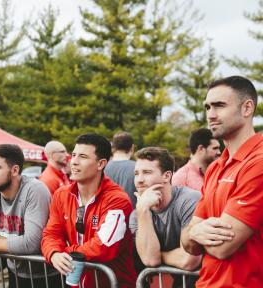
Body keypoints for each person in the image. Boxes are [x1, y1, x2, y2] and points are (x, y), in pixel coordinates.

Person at [181, 76, 263, 287]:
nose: (211, 115)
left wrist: (194, 233)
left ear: (247, 108)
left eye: (219, 106)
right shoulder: (216, 167)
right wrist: (193, 232)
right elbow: (187, 244)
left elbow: (222, 248)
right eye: (208, 107)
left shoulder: (259, 163)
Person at [41, 133, 136, 288]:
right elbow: (51, 233)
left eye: (83, 157)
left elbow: (102, 246)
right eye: (73, 155)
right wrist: (54, 254)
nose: (74, 162)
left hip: (114, 283)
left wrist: (66, 252)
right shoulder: (62, 194)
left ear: (101, 164)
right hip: (76, 283)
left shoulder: (118, 200)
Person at [0, 144, 58, 288]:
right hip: (15, 271)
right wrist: (20, 242)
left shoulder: (34, 190)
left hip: (48, 273)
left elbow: (32, 243)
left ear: (14, 170)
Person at [130, 147, 201, 287]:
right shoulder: (138, 212)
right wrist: (143, 210)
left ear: (167, 176)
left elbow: (189, 261)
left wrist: (160, 255)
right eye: (136, 174)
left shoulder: (189, 200)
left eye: (147, 173)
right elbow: (150, 261)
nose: (139, 180)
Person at [104, 131, 137, 207]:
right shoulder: (138, 168)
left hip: (106, 216)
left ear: (112, 147)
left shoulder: (101, 167)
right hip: (130, 216)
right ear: (132, 147)